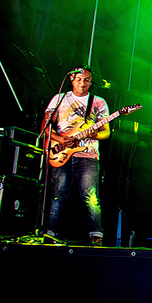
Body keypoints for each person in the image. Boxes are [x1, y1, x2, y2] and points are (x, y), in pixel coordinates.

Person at [40, 67, 110, 246]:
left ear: (91, 81)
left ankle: (96, 235)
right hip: (60, 152)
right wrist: (60, 139)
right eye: (79, 79)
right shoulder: (59, 98)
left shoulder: (99, 102)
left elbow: (106, 132)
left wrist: (94, 134)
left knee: (91, 197)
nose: (82, 83)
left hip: (88, 155)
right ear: (72, 79)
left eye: (86, 79)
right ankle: (50, 232)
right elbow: (45, 127)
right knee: (58, 194)